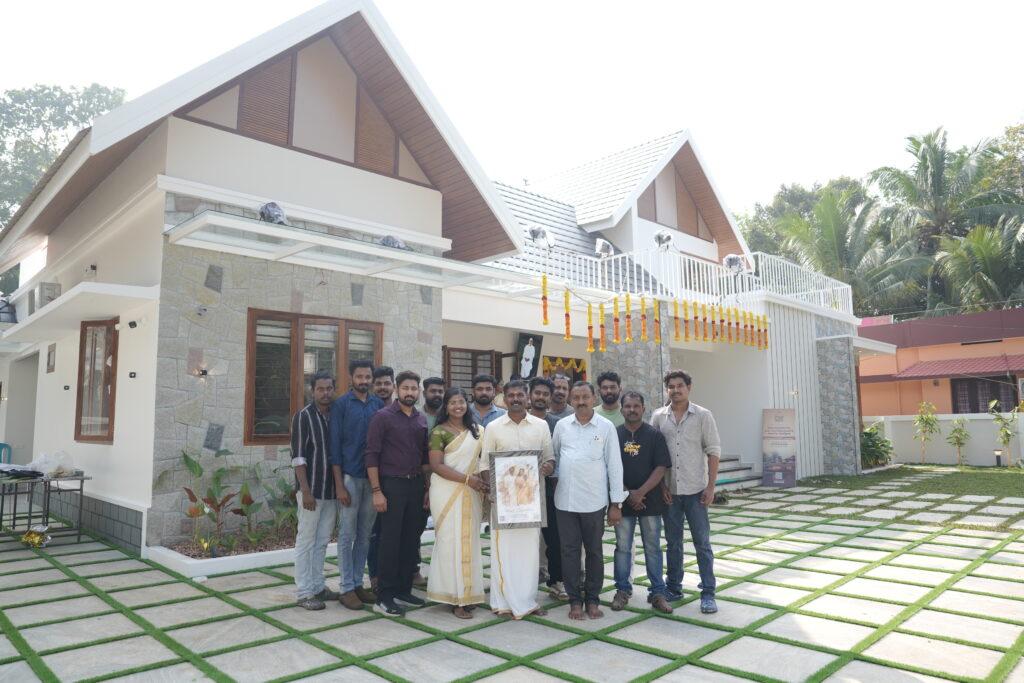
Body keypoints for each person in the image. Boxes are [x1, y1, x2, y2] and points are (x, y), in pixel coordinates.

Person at [480, 379, 555, 619]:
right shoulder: (493, 427)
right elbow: (485, 464)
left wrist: (547, 468)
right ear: (504, 399)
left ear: (527, 397)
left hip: (530, 502)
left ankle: (527, 601)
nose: (515, 399)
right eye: (510, 395)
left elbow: (550, 459)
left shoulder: (541, 426)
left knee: (530, 552)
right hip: (503, 502)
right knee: (503, 550)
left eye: (520, 395)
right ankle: (502, 603)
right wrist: (493, 492)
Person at [552, 381, 625, 620]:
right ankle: (574, 600)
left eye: (585, 397)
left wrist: (616, 504)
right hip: (565, 501)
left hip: (594, 502)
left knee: (594, 551)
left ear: (594, 398)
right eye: (576, 398)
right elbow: (554, 459)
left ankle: (593, 599)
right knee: (569, 552)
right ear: (570, 400)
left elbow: (615, 466)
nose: (581, 402)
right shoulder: (562, 426)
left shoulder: (606, 427)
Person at [651, 370, 721, 614]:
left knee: (702, 543)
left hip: (696, 492)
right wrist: (661, 487)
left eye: (680, 385)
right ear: (666, 390)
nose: (675, 390)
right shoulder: (658, 417)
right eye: (671, 386)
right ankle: (673, 587)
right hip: (669, 493)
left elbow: (713, 452)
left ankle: (708, 592)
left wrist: (711, 487)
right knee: (673, 543)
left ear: (689, 387)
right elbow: (654, 455)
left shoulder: (703, 415)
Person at [366, 371, 430, 617]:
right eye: (405, 388)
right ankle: (384, 597)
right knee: (389, 542)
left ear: (418, 391)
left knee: (410, 540)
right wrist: (377, 491)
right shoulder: (382, 417)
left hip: (416, 486)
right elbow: (371, 455)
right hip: (391, 486)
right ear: (396, 389)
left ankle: (403, 590)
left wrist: (427, 488)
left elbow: (425, 458)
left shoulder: (421, 419)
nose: (410, 393)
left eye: (414, 389)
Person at [426, 388, 488, 618]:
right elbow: (436, 466)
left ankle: (468, 594)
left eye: (461, 402)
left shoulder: (478, 431)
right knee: (449, 541)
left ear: (467, 404)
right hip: (446, 491)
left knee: (469, 541)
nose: (457, 406)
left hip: (472, 491)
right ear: (446, 406)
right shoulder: (438, 432)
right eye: (452, 402)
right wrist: (467, 480)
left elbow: (483, 462)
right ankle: (455, 598)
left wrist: (482, 484)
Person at [611, 391, 672, 614]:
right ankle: (622, 590)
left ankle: (657, 592)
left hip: (651, 502)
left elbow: (661, 467)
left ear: (643, 409)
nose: (632, 410)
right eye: (628, 406)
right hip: (622, 501)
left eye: (636, 406)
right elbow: (610, 466)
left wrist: (640, 493)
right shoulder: (614, 434)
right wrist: (628, 494)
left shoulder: (654, 435)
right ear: (622, 409)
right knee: (623, 548)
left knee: (653, 547)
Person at [329, 360, 384, 610]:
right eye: (359, 377)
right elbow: (334, 446)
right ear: (351, 378)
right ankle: (345, 588)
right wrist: (339, 485)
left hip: (372, 479)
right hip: (350, 477)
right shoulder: (341, 405)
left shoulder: (377, 405)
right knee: (346, 535)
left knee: (365, 535)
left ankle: (358, 583)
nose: (364, 381)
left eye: (367, 377)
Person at [291, 371, 340, 610]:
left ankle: (318, 586)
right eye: (321, 389)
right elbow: (298, 457)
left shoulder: (335, 416)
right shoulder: (304, 416)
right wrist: (305, 491)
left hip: (331, 491)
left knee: (322, 541)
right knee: (306, 541)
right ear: (313, 390)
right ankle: (304, 593)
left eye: (329, 388)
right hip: (311, 491)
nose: (325, 393)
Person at [528, 376, 567, 600]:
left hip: (551, 488)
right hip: (522, 490)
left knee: (554, 538)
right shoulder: (519, 420)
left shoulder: (557, 424)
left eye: (545, 394)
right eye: (537, 393)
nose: (541, 397)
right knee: (525, 539)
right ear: (530, 395)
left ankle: (556, 582)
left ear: (550, 397)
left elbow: (560, 455)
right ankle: (523, 583)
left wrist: (551, 469)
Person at [366, 364, 396, 588]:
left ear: (393, 386)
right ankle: (375, 576)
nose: (383, 387)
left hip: (396, 481)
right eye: (379, 384)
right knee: (374, 531)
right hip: (371, 479)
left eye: (387, 383)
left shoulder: (401, 411)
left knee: (394, 531)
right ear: (372, 386)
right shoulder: (369, 411)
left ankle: (397, 575)